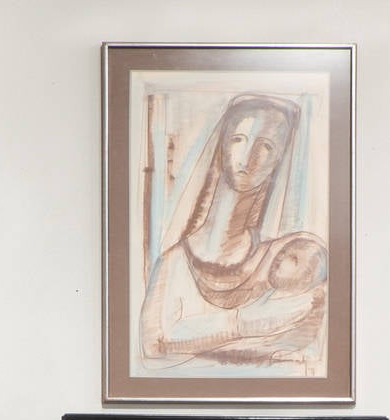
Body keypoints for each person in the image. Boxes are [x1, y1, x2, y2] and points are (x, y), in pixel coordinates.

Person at [139, 92, 328, 373]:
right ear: (222, 146)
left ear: (279, 161)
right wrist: (244, 323)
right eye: (239, 139)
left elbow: (304, 352)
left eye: (266, 146)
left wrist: (198, 339)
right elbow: (153, 344)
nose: (248, 156)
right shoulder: (175, 261)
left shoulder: (289, 262)